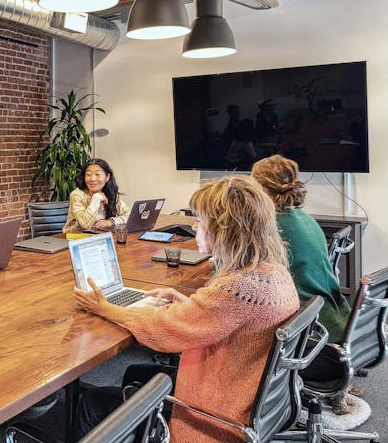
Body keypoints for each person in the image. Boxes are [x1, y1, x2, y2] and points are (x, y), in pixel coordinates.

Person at [73, 175, 299, 442]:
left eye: (200, 221)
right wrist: (185, 303)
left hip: (215, 417)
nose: (195, 227)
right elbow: (223, 318)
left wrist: (105, 308)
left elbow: (162, 331)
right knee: (135, 373)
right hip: (247, 399)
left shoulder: (238, 288)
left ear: (224, 230)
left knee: (91, 403)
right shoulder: (273, 272)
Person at [251, 155, 351, 343]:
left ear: (262, 188)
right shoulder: (305, 219)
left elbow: (246, 273)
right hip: (336, 316)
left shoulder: (271, 227)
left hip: (309, 328)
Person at [62, 158, 130, 233]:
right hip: (75, 238)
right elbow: (85, 224)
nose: (92, 179)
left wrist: (112, 221)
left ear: (107, 177)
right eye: (88, 175)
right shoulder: (77, 195)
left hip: (99, 236)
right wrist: (96, 198)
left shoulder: (110, 193)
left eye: (97, 174)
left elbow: (129, 215)